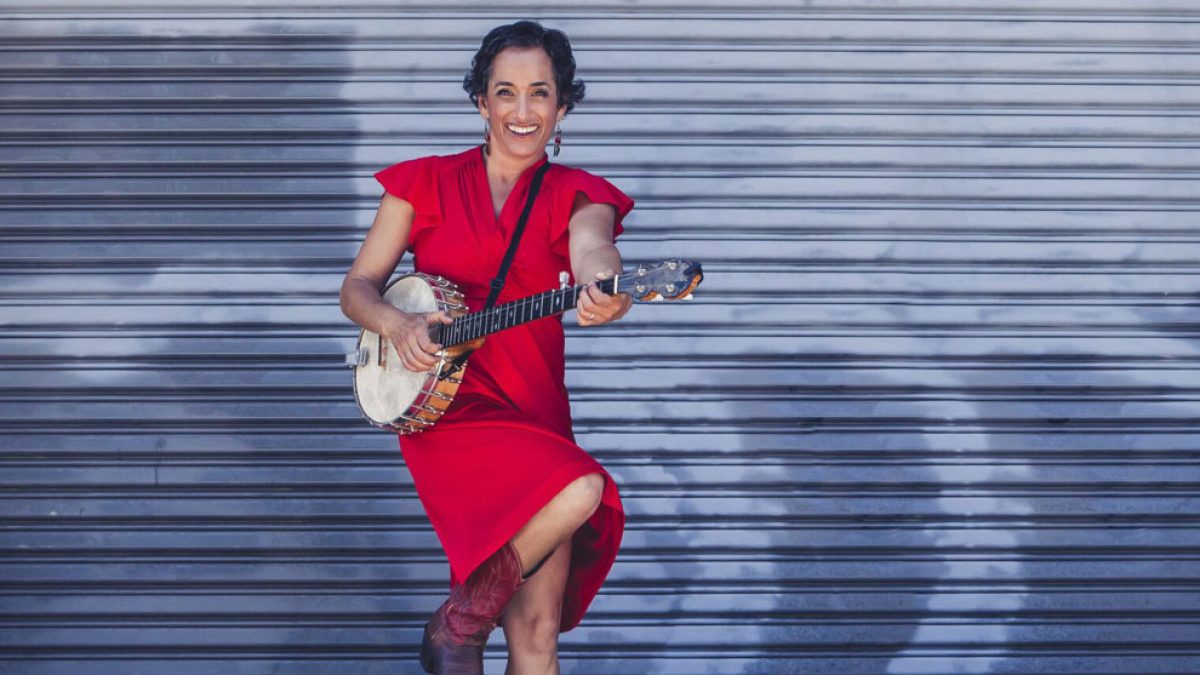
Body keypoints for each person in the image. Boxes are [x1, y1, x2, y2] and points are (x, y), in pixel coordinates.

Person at [339, 20, 633, 675]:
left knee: (536, 634)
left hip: (535, 409)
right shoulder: (422, 183)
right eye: (506, 92)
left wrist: (604, 287)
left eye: (540, 93)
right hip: (449, 408)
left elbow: (595, 250)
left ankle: (458, 620)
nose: (523, 111)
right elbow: (357, 287)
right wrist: (394, 323)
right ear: (482, 102)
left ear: (562, 106)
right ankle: (463, 619)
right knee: (582, 486)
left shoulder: (579, 194)